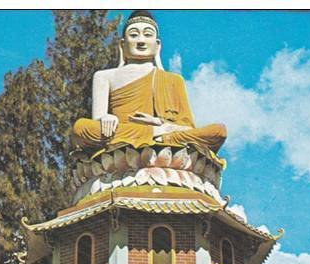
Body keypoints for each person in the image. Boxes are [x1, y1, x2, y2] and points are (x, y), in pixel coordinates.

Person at [72, 10, 226, 156]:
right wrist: (104, 118)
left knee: (219, 131)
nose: (141, 41)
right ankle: (157, 137)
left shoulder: (173, 80)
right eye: (133, 35)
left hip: (156, 133)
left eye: (147, 35)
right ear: (122, 45)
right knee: (81, 128)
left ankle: (155, 137)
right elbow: (97, 120)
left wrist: (158, 122)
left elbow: (187, 127)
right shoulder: (104, 76)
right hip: (124, 132)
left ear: (157, 45)